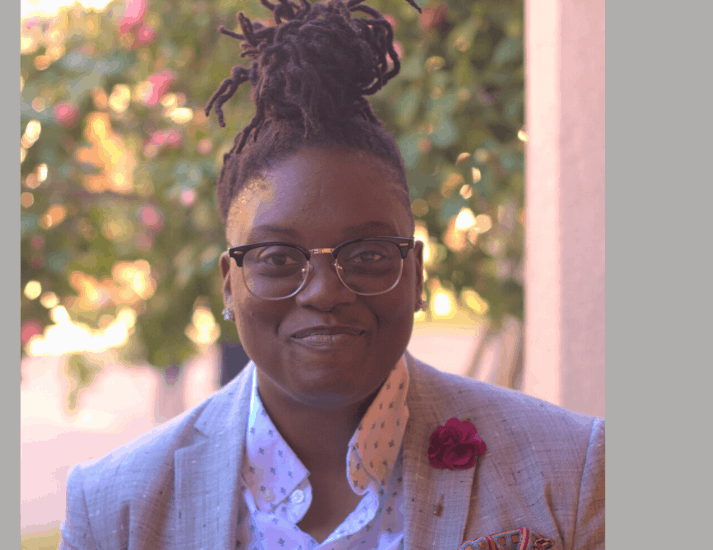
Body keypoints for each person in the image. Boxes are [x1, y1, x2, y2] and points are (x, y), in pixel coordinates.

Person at [59, 0, 604, 548]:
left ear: (416, 275)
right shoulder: (115, 510)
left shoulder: (567, 471)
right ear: (229, 283)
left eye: (366, 254)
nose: (325, 292)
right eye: (278, 258)